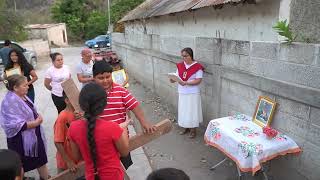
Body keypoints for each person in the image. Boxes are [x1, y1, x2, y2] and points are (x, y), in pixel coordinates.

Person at [92, 60, 156, 169]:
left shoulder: (120, 90)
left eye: (108, 77)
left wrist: (144, 123)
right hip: (101, 141)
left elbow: (134, 105)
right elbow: (84, 112)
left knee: (121, 169)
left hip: (121, 139)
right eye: (101, 78)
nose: (105, 81)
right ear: (94, 78)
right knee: (105, 170)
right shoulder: (90, 93)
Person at [68, 83, 130, 180]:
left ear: (81, 104)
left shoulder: (73, 128)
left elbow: (76, 157)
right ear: (104, 104)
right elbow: (125, 152)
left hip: (91, 176)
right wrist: (123, 128)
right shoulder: (112, 128)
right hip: (113, 176)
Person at [0, 75, 49, 180]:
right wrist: (36, 123)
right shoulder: (9, 102)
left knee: (40, 160)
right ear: (15, 88)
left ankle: (45, 178)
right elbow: (13, 125)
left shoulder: (22, 95)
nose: (28, 86)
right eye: (25, 85)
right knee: (19, 166)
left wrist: (36, 117)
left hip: (34, 136)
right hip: (20, 141)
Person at [169, 47, 204, 139]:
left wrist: (187, 83)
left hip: (192, 92)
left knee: (192, 111)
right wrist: (172, 79)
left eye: (186, 56)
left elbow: (198, 80)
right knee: (183, 110)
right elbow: (176, 77)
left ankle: (193, 130)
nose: (184, 58)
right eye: (183, 56)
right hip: (182, 91)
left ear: (191, 55)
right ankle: (186, 127)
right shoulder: (180, 66)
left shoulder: (197, 67)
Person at [54, 91, 78, 173]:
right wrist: (68, 161)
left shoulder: (79, 113)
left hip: (78, 161)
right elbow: (57, 142)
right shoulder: (62, 117)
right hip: (66, 164)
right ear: (67, 101)